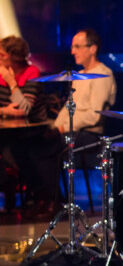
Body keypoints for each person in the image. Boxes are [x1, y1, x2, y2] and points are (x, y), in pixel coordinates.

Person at [16, 29, 116, 217]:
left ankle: (54, 201)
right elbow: (68, 108)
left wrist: (62, 128)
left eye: (77, 46)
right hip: (71, 130)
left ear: (92, 49)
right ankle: (47, 198)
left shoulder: (103, 75)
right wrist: (54, 126)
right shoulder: (80, 75)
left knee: (41, 149)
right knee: (28, 147)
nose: (73, 51)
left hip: (89, 133)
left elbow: (94, 116)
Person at [0, 35, 46, 211]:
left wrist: (12, 83)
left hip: (31, 131)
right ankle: (7, 187)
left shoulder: (31, 72)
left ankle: (38, 194)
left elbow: (24, 109)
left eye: (1, 54)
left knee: (15, 150)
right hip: (7, 130)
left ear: (10, 57)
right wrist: (4, 111)